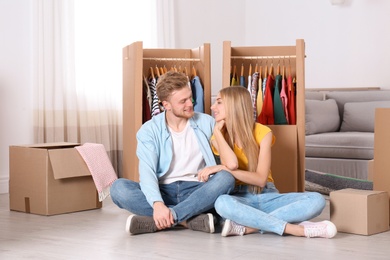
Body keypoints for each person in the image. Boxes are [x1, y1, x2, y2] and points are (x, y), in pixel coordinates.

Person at [200, 86, 337, 238]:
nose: (213, 107)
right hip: (240, 198)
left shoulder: (262, 132)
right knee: (221, 203)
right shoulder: (218, 137)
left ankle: (249, 227)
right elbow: (232, 164)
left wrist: (221, 168)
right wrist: (217, 132)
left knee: (317, 200)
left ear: (234, 105)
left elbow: (260, 179)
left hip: (267, 194)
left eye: (218, 102)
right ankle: (294, 229)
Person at [110, 71, 235, 235]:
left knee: (226, 178)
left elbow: (229, 162)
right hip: (163, 191)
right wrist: (157, 204)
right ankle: (188, 220)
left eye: (190, 98)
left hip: (198, 191)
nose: (190, 104)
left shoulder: (207, 122)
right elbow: (147, 172)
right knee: (118, 189)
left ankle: (168, 218)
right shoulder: (149, 130)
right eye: (182, 101)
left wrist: (217, 167)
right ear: (166, 105)